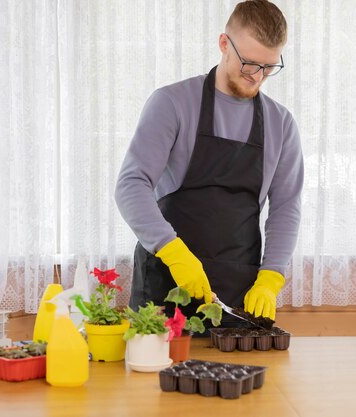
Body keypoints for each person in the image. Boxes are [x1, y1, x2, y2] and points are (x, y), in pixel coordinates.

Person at [115, 0, 303, 326]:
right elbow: (131, 186)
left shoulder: (281, 123)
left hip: (235, 293)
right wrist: (174, 254)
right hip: (165, 283)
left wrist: (271, 277)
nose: (257, 76)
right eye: (249, 63)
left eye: (269, 67)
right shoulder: (172, 103)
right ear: (223, 44)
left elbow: (286, 206)